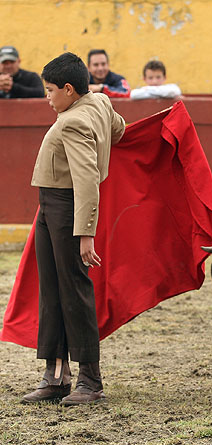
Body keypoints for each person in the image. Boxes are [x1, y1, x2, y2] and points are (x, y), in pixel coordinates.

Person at [22, 52, 125, 406]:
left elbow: (86, 180)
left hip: (65, 209)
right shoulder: (99, 102)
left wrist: (85, 233)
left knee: (73, 290)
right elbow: (120, 129)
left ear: (68, 89)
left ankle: (90, 380)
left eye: (50, 91)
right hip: (53, 207)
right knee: (52, 288)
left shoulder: (72, 122)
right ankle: (56, 374)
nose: (47, 97)